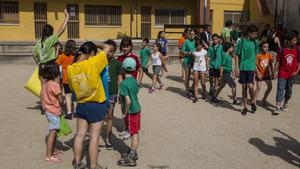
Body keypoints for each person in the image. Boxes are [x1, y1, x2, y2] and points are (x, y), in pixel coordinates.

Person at [68, 41, 110, 169]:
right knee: (94, 136)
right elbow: (107, 47)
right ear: (91, 53)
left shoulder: (71, 68)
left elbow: (72, 88)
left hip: (81, 104)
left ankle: (77, 163)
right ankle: (92, 166)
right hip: (97, 104)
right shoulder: (94, 62)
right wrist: (95, 43)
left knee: (80, 135)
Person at [117, 57, 142, 167]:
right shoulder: (134, 81)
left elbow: (128, 101)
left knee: (133, 134)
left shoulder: (123, 84)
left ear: (123, 68)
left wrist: (125, 113)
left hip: (131, 111)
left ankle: (132, 157)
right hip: (137, 109)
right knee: (135, 132)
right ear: (134, 69)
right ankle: (133, 152)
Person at [118, 36, 142, 140]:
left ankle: (130, 129)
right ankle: (127, 128)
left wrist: (138, 82)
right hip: (122, 86)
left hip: (131, 85)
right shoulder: (120, 58)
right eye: (123, 46)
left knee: (130, 106)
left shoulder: (134, 58)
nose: (125, 48)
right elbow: (118, 74)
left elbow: (141, 70)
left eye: (127, 46)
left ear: (131, 47)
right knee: (123, 106)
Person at [41, 61, 63, 163]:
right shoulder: (55, 85)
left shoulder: (45, 84)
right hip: (54, 111)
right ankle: (49, 156)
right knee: (53, 132)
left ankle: (53, 151)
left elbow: (42, 96)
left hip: (48, 110)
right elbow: (61, 100)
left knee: (54, 132)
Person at [102, 40, 123, 150]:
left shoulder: (117, 63)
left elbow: (119, 79)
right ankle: (94, 137)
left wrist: (121, 93)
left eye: (112, 51)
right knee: (100, 116)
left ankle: (108, 139)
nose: (110, 53)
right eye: (108, 51)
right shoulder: (98, 62)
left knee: (110, 115)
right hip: (100, 92)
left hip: (112, 92)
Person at [235, 24, 260, 116]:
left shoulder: (256, 42)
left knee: (250, 86)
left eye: (256, 34)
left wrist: (257, 69)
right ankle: (245, 107)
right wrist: (237, 68)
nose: (255, 36)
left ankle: (253, 101)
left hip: (251, 67)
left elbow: (257, 56)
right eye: (254, 34)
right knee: (244, 87)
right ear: (249, 34)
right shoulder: (241, 41)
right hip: (243, 67)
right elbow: (237, 55)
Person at [273, 32, 300, 115]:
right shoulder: (282, 49)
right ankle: (278, 106)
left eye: (296, 40)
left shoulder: (297, 49)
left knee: (289, 91)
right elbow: (278, 61)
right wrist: (275, 72)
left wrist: (297, 71)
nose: (295, 42)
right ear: (288, 41)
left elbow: (299, 62)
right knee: (280, 89)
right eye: (294, 40)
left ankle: (285, 102)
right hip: (282, 73)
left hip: (292, 74)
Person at [56, 40, 77, 119]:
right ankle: (75, 111)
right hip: (75, 77)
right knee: (75, 95)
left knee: (68, 95)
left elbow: (57, 64)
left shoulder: (62, 56)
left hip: (66, 78)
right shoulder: (75, 56)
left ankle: (69, 112)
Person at [192, 38, 208, 103]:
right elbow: (193, 60)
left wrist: (207, 70)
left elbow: (206, 61)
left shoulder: (204, 51)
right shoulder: (194, 52)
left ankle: (204, 91)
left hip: (203, 69)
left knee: (203, 83)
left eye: (199, 45)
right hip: (196, 68)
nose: (198, 46)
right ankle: (196, 96)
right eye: (197, 45)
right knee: (195, 82)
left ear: (201, 45)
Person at [182, 29, 197, 98]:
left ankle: (192, 88)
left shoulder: (196, 41)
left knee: (196, 77)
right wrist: (188, 53)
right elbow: (182, 52)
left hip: (195, 61)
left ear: (195, 35)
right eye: (191, 34)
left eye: (193, 34)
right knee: (187, 77)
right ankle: (187, 91)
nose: (192, 35)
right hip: (187, 60)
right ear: (189, 34)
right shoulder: (186, 41)